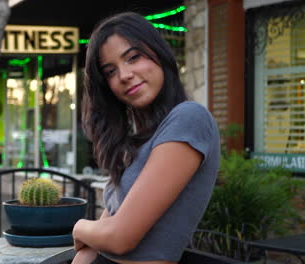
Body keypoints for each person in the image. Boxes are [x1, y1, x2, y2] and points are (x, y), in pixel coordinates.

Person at [72, 11, 220, 264]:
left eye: (133, 57)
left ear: (158, 53)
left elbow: (119, 237)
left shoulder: (189, 118)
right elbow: (99, 239)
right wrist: (93, 234)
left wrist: (79, 227)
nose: (124, 75)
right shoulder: (140, 142)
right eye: (110, 71)